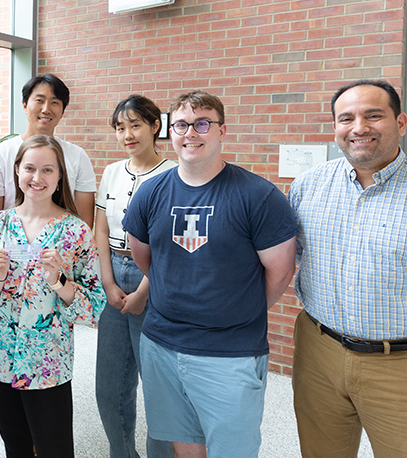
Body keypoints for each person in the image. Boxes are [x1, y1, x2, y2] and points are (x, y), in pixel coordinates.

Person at [288, 79, 407, 458]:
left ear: (400, 122)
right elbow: (298, 255)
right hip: (319, 354)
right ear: (336, 127)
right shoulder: (307, 186)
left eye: (373, 116)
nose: (359, 127)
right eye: (347, 118)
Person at [123, 91, 298, 458]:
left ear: (222, 131)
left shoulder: (258, 196)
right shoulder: (151, 192)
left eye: (202, 124)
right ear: (170, 132)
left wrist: (236, 309)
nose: (191, 133)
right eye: (181, 125)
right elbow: (144, 255)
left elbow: (280, 272)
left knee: (233, 450)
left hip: (229, 352)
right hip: (162, 345)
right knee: (184, 445)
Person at [0, 135, 106, 458]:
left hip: (47, 363)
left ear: (60, 176)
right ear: (17, 170)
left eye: (48, 170)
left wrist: (59, 282)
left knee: (54, 450)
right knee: (15, 447)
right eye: (30, 168)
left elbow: (93, 306)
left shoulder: (76, 232)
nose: (37, 177)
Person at [94, 95, 175, 458]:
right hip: (113, 272)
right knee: (109, 386)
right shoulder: (112, 171)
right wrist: (108, 282)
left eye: (135, 125)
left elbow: (170, 243)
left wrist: (144, 289)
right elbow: (100, 229)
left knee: (159, 389)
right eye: (120, 127)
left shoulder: (173, 174)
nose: (127, 134)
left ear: (156, 126)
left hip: (155, 278)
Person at [0, 74, 97, 227]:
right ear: (24, 105)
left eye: (54, 102)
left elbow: (84, 224)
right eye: (39, 101)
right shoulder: (0, 154)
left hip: (64, 241)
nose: (46, 109)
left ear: (63, 111)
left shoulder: (78, 156)